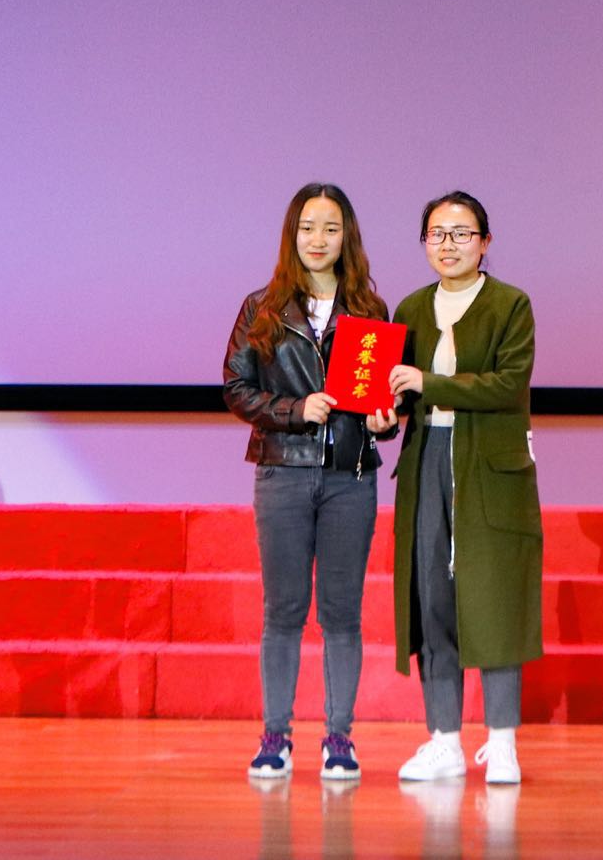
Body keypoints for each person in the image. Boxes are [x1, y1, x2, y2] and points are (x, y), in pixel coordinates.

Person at [223, 183, 397, 782]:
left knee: (342, 613)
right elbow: (236, 388)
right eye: (307, 227)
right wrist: (295, 410)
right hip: (283, 473)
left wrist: (385, 420)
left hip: (351, 477)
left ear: (347, 236)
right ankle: (275, 737)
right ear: (291, 235)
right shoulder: (262, 308)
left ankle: (339, 738)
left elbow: (382, 403)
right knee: (284, 610)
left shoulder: (371, 311)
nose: (318, 239)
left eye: (330, 228)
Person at [387, 191, 540, 786]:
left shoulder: (510, 304)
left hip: (492, 470)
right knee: (433, 599)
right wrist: (383, 417)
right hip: (428, 461)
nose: (447, 245)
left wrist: (429, 382)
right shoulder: (409, 308)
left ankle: (502, 743)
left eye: (460, 234)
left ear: (485, 242)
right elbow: (399, 394)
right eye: (436, 234)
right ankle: (444, 740)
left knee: (496, 600)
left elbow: (507, 384)